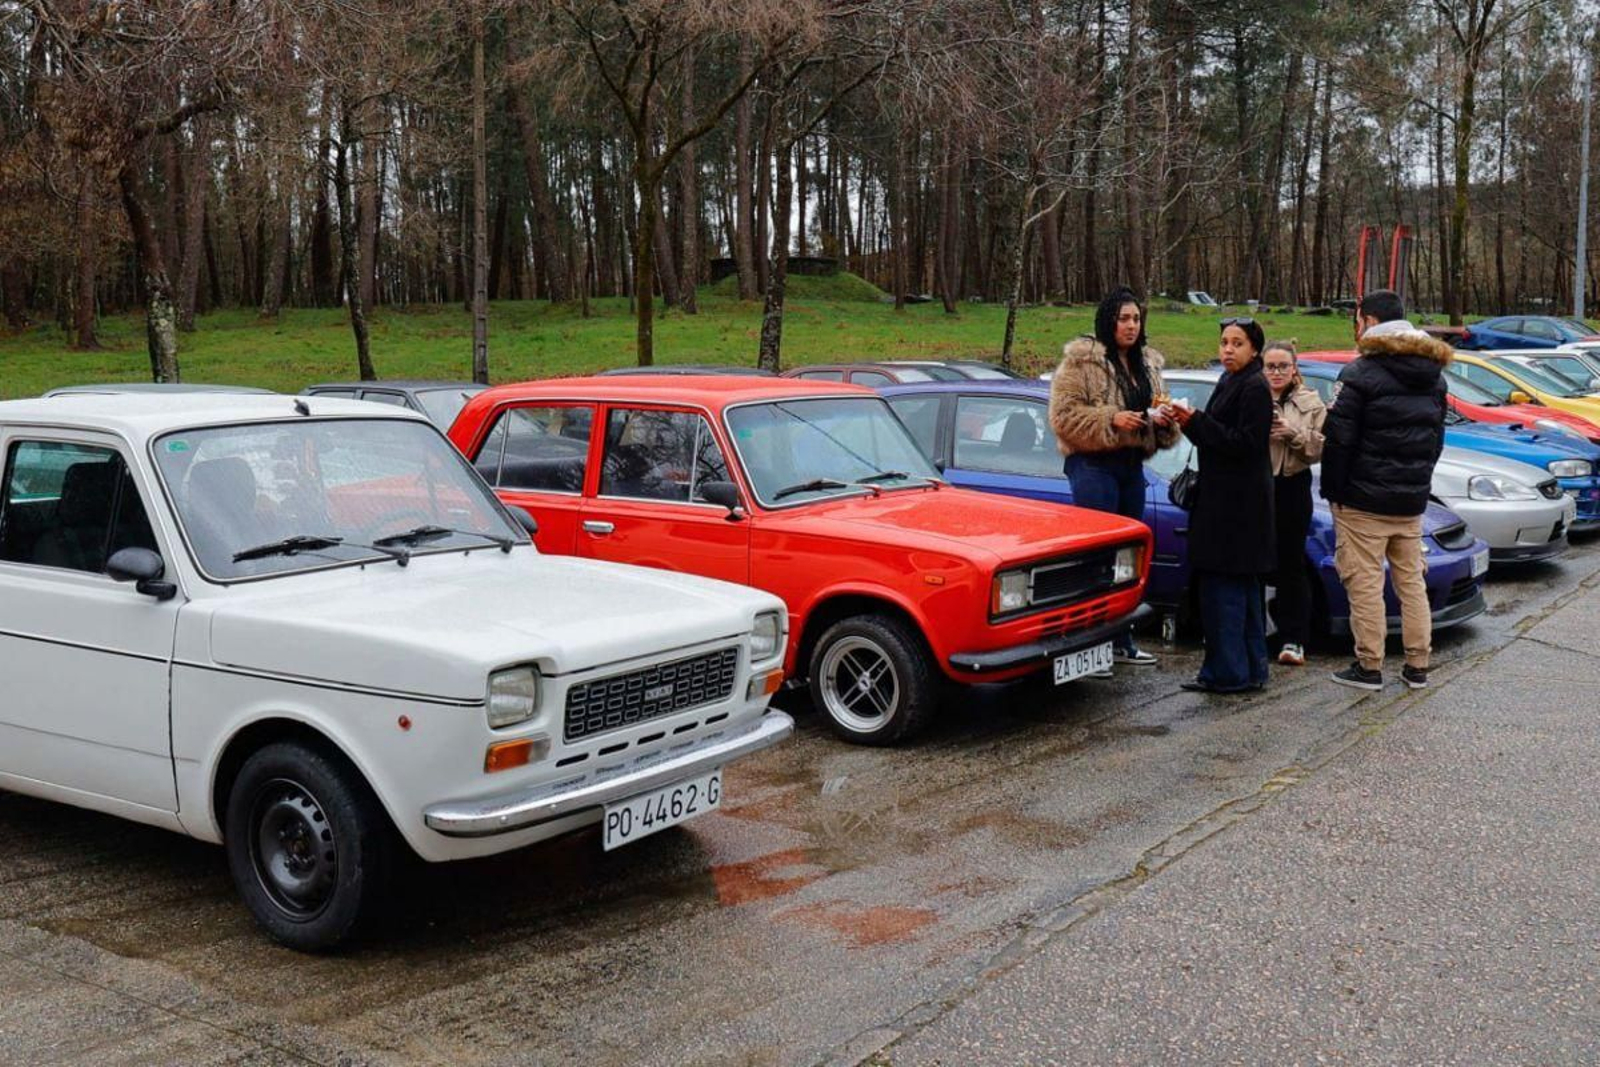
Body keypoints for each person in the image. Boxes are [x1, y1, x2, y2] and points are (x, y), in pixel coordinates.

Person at [1320, 289, 1451, 691]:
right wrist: (1419, 482)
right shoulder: (1435, 375)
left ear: (1370, 322)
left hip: (1361, 499)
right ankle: (1417, 665)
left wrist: (1334, 491)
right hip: (1409, 501)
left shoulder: (1360, 373)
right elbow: (1436, 439)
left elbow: (1338, 440)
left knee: (1364, 583)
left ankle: (1369, 666)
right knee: (1411, 583)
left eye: (1358, 319)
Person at [1049, 286, 1180, 667]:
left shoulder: (1148, 364)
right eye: (1123, 318)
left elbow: (1160, 412)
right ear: (1108, 320)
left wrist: (1166, 421)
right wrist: (1110, 418)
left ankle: (1123, 638)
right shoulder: (1082, 363)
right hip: (1092, 466)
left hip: (1131, 466)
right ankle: (1091, 645)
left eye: (1137, 318)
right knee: (1097, 558)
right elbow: (1063, 418)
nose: (1131, 326)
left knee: (1128, 558)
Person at [1166, 318, 1274, 693]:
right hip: (1226, 502)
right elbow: (1219, 433)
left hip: (1236, 509)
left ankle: (1229, 672)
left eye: (1237, 343)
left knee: (1227, 594)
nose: (1228, 349)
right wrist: (1190, 422)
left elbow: (1245, 443)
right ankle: (1247, 669)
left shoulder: (1255, 387)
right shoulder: (1233, 380)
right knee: (1238, 593)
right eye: (1224, 342)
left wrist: (1197, 421)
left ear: (1254, 349)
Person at [1262, 341, 1326, 666]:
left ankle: (1294, 639)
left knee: (1292, 564)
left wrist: (1291, 433)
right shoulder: (1252, 395)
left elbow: (1317, 450)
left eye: (1282, 366)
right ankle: (1253, 634)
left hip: (1292, 485)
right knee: (1253, 560)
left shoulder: (1310, 401)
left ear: (1294, 368)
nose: (1276, 373)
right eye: (1270, 366)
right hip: (1257, 486)